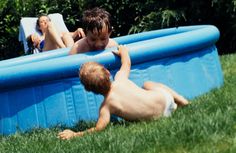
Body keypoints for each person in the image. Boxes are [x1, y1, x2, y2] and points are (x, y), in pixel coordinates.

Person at [58, 45, 189, 140]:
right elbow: (127, 62)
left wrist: (75, 134)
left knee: (146, 87)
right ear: (108, 73)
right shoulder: (120, 79)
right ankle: (180, 99)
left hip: (155, 118)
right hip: (166, 101)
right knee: (147, 84)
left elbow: (98, 128)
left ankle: (177, 103)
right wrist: (123, 51)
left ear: (88, 90)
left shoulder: (106, 107)